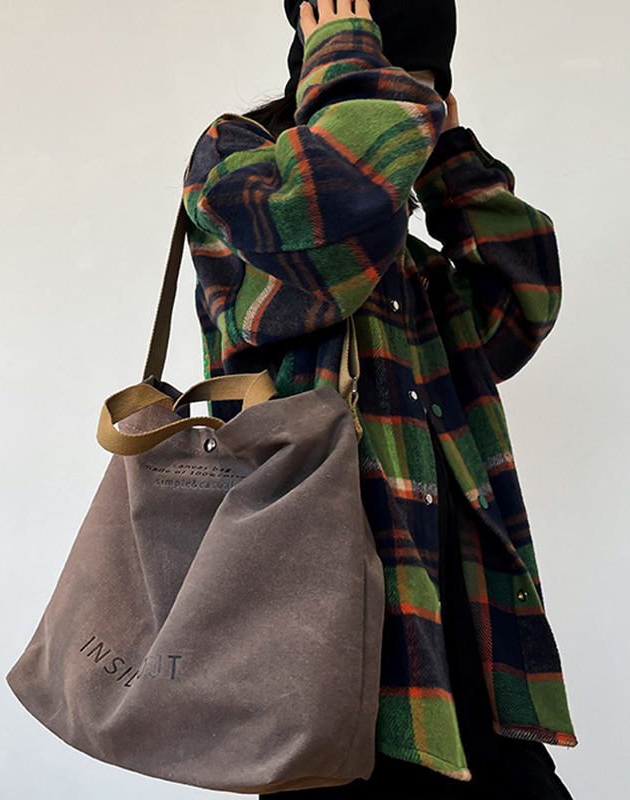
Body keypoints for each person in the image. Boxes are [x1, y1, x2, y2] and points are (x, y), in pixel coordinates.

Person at [182, 1, 579, 797]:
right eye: (388, 93)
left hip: (467, 664)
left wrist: (448, 154)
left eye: (417, 97)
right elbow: (321, 234)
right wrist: (347, 62)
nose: (403, 113)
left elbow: (525, 299)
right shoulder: (234, 170)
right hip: (324, 669)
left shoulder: (420, 273)